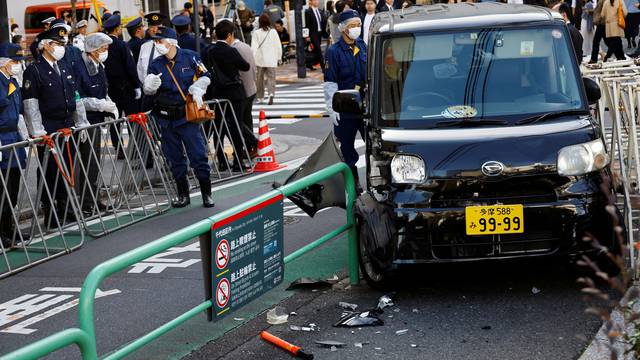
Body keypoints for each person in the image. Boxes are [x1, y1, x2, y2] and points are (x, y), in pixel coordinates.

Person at [22, 26, 90, 224]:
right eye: (57, 44)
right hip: (49, 128)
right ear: (45, 45)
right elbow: (31, 104)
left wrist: (81, 120)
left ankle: (65, 205)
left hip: (67, 124)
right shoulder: (34, 70)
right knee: (50, 170)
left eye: (63, 44)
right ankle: (50, 210)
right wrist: (37, 131)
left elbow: (75, 96)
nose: (61, 48)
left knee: (67, 168)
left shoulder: (64, 67)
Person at [143, 26, 214, 208]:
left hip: (186, 116)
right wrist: (149, 86)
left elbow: (205, 74)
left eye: (160, 41)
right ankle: (183, 193)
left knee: (198, 155)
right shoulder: (156, 63)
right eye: (155, 41)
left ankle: (207, 193)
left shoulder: (190, 57)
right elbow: (150, 90)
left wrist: (198, 87)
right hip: (166, 118)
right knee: (174, 158)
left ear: (172, 41)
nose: (157, 44)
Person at [72, 33, 119, 214]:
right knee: (87, 163)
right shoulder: (80, 67)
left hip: (96, 120)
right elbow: (78, 98)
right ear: (92, 50)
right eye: (102, 49)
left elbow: (102, 90)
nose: (105, 52)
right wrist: (101, 105)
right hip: (85, 121)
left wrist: (109, 103)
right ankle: (86, 203)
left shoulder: (98, 65)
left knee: (94, 163)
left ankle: (93, 199)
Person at [206, 20, 257, 170]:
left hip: (217, 92)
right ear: (229, 35)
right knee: (235, 125)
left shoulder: (209, 51)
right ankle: (237, 160)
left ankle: (221, 160)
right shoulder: (231, 51)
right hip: (234, 93)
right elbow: (245, 66)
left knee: (218, 126)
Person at [324, 10, 366, 188]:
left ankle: (375, 179)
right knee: (347, 148)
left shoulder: (363, 46)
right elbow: (330, 82)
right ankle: (353, 181)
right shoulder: (333, 51)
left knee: (373, 145)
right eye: (352, 26)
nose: (356, 29)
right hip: (345, 107)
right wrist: (331, 107)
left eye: (358, 25)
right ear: (343, 29)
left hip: (364, 105)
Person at [0, 42, 29, 250]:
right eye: (14, 61)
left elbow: (17, 112)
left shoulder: (13, 81)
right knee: (3, 189)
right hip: (2, 139)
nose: (18, 64)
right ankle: (2, 233)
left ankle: (10, 229)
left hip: (14, 138)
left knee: (13, 186)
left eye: (19, 61)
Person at [103, 14, 142, 159]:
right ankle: (135, 149)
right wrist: (136, 85)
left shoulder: (103, 46)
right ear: (117, 29)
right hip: (126, 88)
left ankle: (118, 149)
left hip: (111, 89)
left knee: (115, 120)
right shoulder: (121, 45)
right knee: (132, 119)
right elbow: (130, 66)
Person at [232, 33, 259, 160]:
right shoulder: (245, 46)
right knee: (247, 120)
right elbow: (253, 67)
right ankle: (250, 148)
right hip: (251, 88)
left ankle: (253, 142)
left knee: (236, 121)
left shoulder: (234, 49)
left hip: (242, 90)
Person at [252, 14, 282, 105]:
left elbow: (254, 47)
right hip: (271, 59)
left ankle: (260, 97)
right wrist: (279, 57)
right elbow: (278, 45)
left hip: (259, 59)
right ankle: (271, 94)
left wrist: (252, 59)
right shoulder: (273, 32)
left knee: (259, 79)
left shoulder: (256, 33)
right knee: (271, 78)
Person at [137, 13, 167, 86]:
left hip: (165, 88)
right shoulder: (144, 46)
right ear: (148, 29)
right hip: (147, 89)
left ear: (162, 28)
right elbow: (140, 68)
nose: (154, 30)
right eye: (152, 27)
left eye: (158, 27)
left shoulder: (170, 45)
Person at [304, 0, 327, 70]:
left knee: (315, 51)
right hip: (313, 34)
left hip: (319, 33)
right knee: (319, 50)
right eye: (315, 0)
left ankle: (308, 64)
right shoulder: (308, 11)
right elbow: (306, 24)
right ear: (310, 2)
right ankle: (324, 67)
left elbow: (323, 22)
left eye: (317, 0)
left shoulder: (320, 11)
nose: (317, 2)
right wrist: (306, 36)